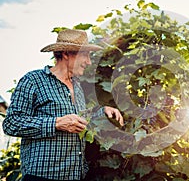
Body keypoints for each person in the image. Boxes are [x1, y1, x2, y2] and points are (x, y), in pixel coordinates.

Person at [2, 29, 124, 181]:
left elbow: (77, 118)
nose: (89, 62)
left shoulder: (77, 86)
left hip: (75, 175)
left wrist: (103, 110)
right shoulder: (33, 80)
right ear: (66, 53)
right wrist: (57, 123)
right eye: (84, 55)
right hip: (41, 177)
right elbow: (11, 123)